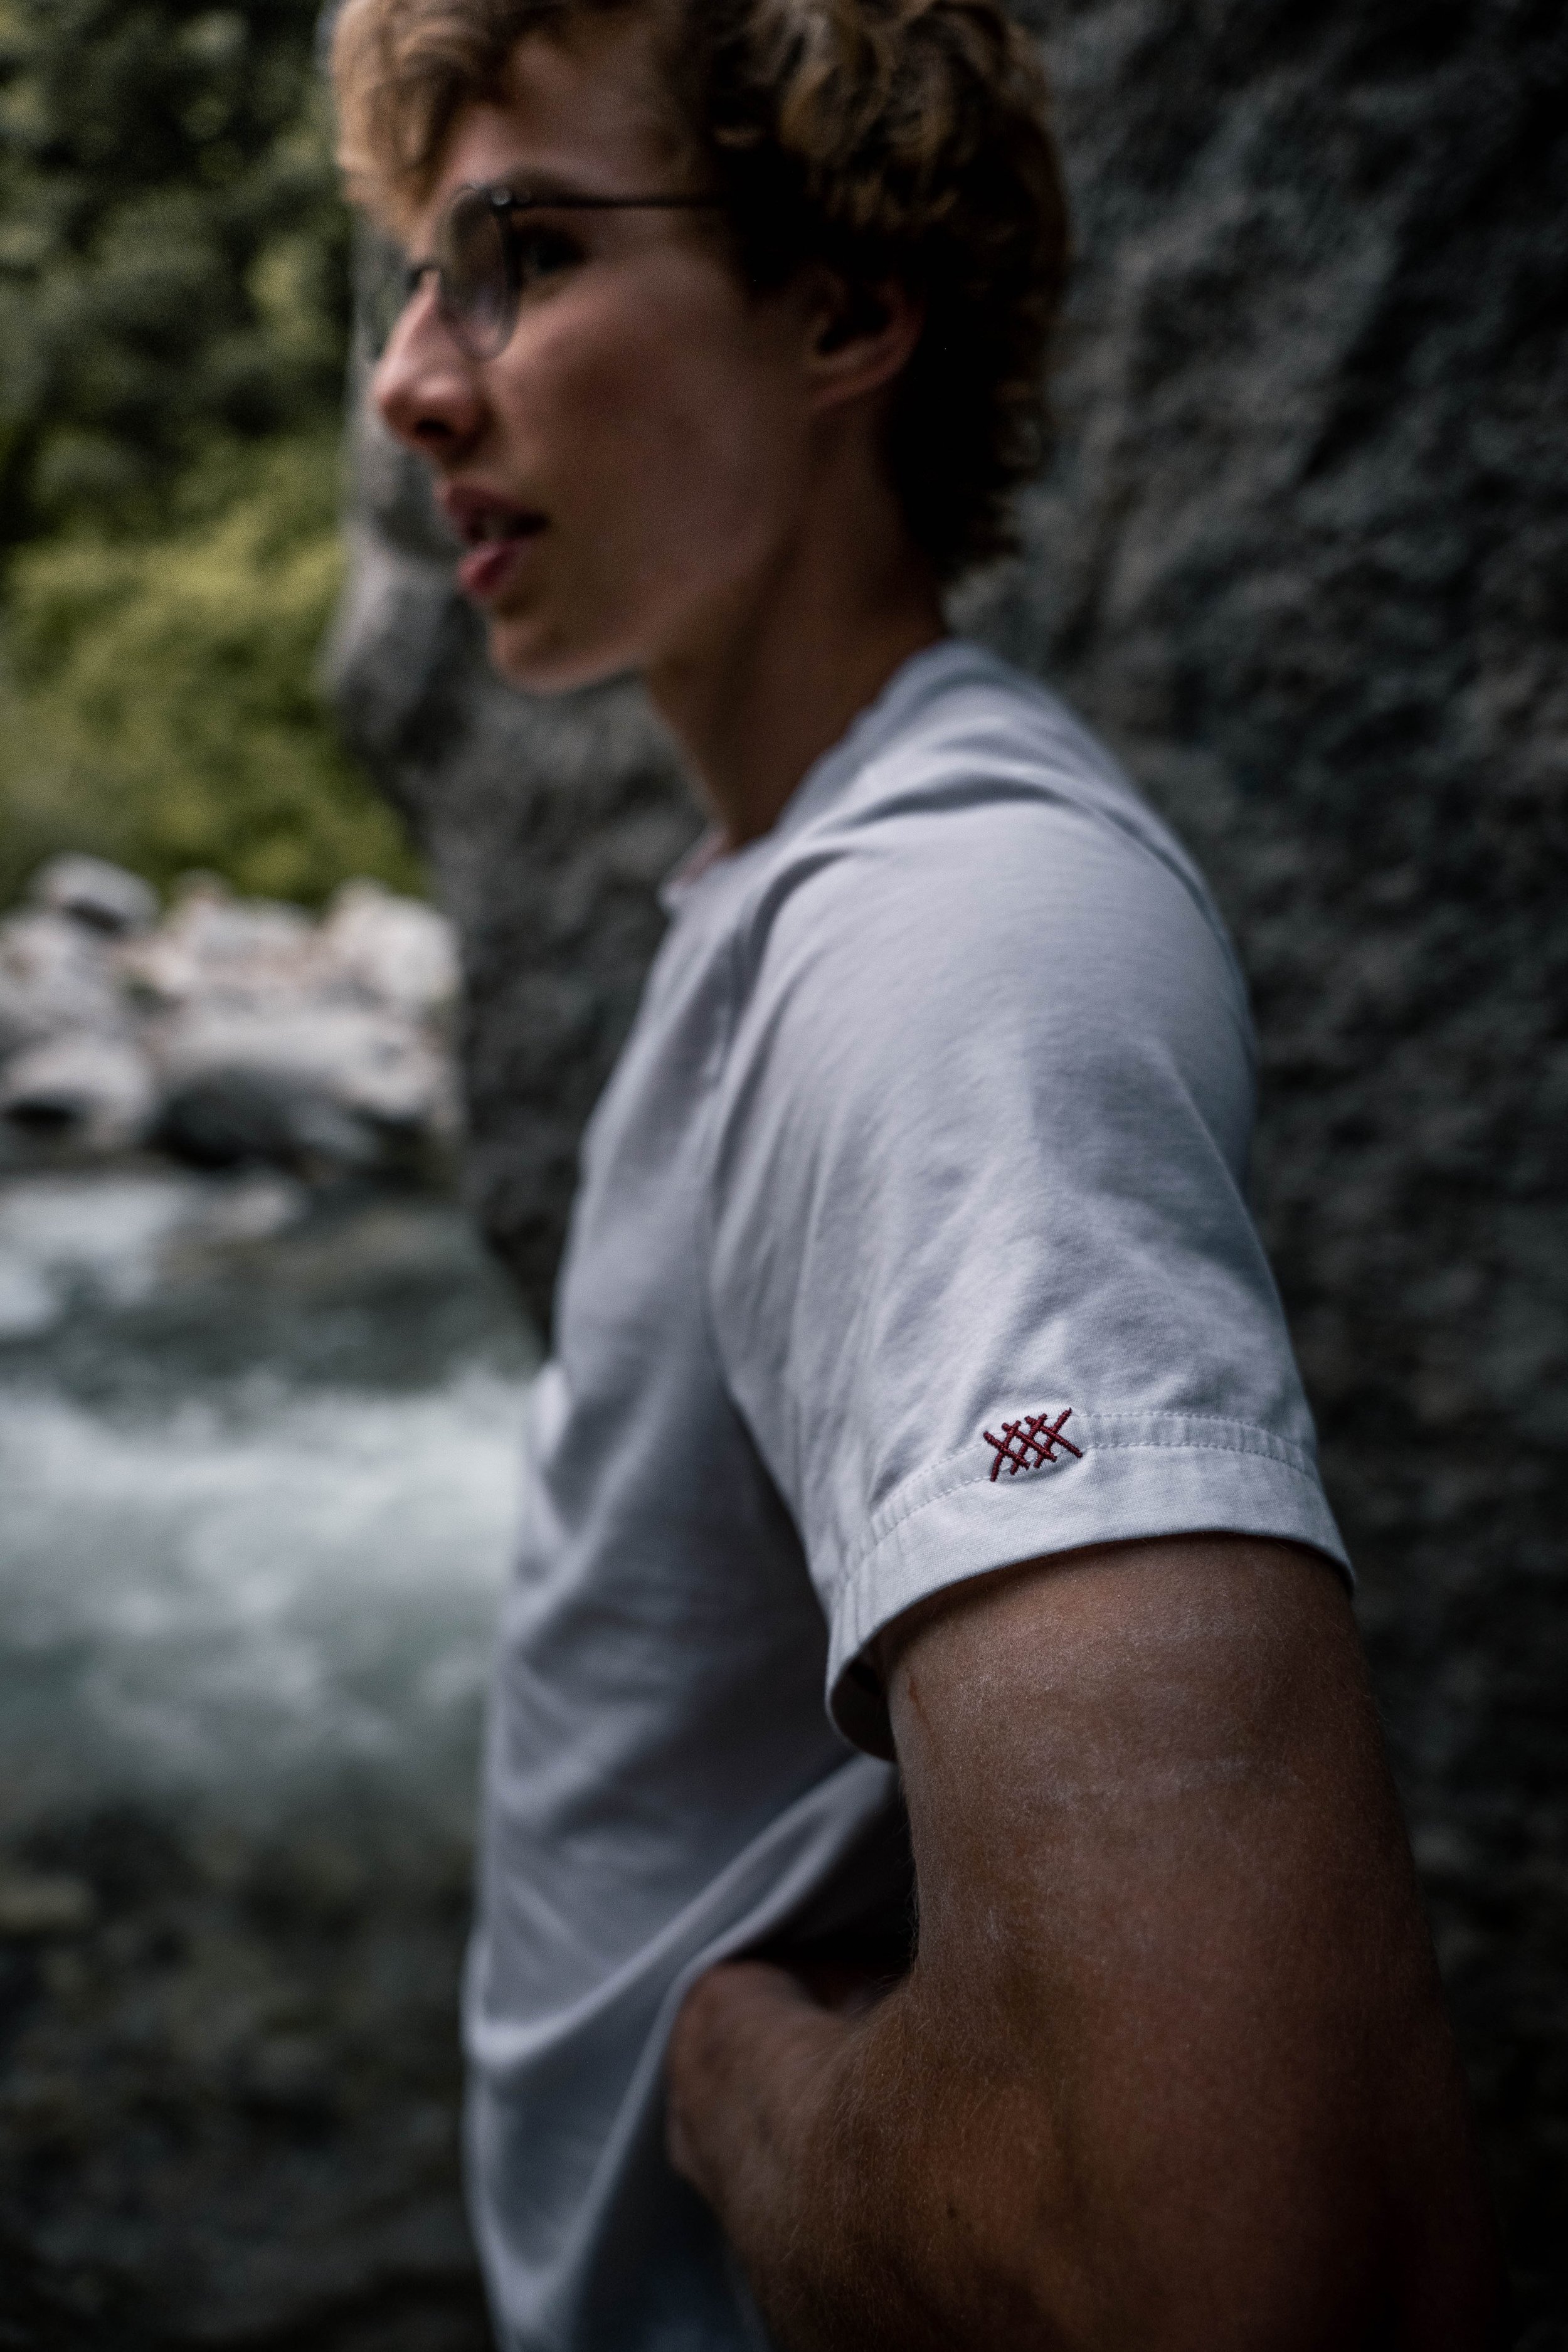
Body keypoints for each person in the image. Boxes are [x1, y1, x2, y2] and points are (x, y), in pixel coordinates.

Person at [332, 0, 1503, 2343]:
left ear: (842, 311)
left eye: (524, 254)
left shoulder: (944, 938)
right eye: (418, 277)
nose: (409, 384)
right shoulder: (800, 896)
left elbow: (1227, 2252)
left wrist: (723, 2090)